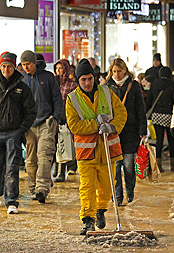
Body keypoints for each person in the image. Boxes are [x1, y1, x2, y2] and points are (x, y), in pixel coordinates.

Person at [66, 58, 127, 234]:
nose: (87, 83)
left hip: (108, 149)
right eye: (83, 79)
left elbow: (121, 112)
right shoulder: (72, 99)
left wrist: (113, 126)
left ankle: (101, 209)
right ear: (78, 81)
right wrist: (95, 124)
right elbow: (74, 125)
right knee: (87, 186)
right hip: (86, 152)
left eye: (89, 79)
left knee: (107, 186)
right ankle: (88, 219)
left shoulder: (106, 93)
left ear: (95, 78)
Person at [21, 50, 63, 203]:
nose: (26, 67)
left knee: (44, 156)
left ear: (34, 63)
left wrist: (56, 117)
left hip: (46, 122)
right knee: (31, 160)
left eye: (28, 64)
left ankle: (42, 189)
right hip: (29, 125)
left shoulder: (48, 77)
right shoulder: (22, 80)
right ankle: (33, 187)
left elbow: (57, 99)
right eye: (23, 64)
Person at [106, 58, 147, 206]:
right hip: (113, 132)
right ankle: (117, 195)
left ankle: (130, 188)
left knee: (129, 166)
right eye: (114, 71)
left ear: (125, 70)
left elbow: (140, 109)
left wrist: (143, 129)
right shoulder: (107, 87)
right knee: (116, 166)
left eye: (119, 71)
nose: (116, 74)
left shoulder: (133, 86)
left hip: (131, 131)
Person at [0, 52, 37, 214]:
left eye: (9, 66)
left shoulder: (22, 87)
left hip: (13, 133)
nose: (6, 69)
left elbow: (31, 111)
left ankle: (11, 200)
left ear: (14, 67)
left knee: (12, 167)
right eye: (3, 66)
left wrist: (20, 130)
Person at [146, 66, 174, 172]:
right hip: (169, 115)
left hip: (157, 115)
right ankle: (173, 166)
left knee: (159, 140)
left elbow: (149, 99)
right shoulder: (172, 85)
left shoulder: (154, 84)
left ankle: (159, 165)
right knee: (171, 140)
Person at [53, 59, 78, 181]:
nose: (58, 71)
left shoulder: (72, 85)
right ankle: (56, 168)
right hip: (54, 118)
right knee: (54, 145)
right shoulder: (53, 83)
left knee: (64, 144)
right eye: (57, 68)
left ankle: (63, 171)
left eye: (61, 68)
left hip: (67, 119)